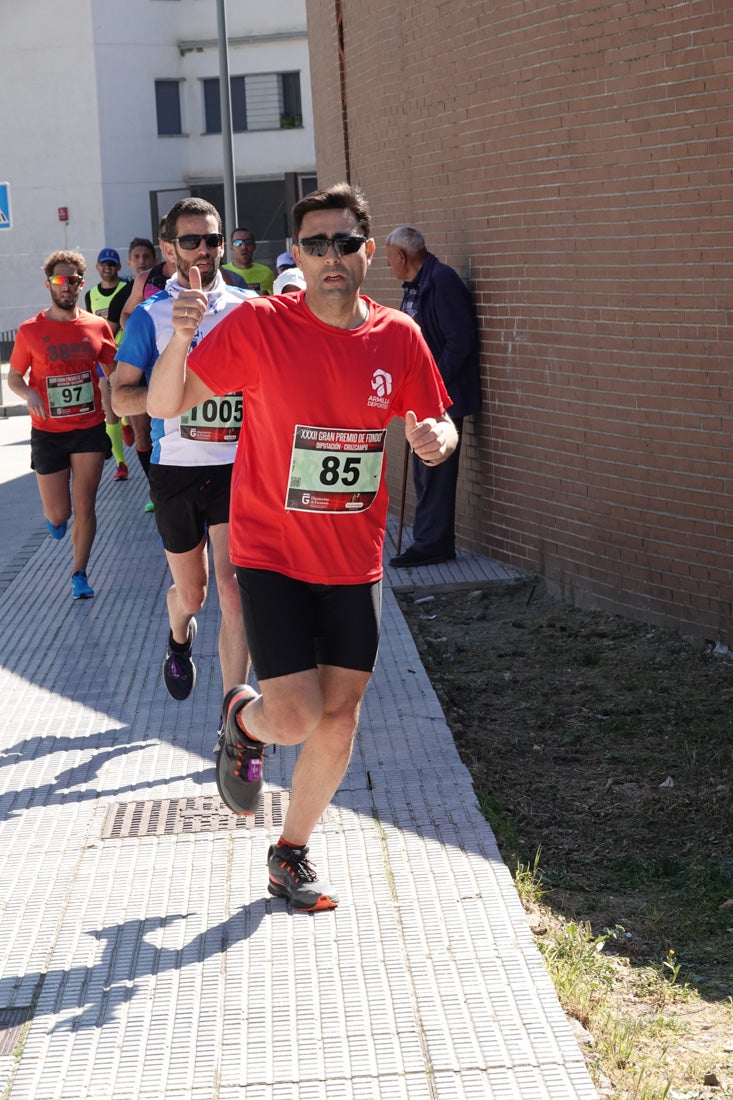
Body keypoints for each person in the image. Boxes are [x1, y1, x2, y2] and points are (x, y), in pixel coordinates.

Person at [147, 182, 458, 912]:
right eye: (315, 244)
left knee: (340, 715)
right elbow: (164, 404)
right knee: (293, 716)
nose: (330, 257)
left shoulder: (397, 338)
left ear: (368, 253)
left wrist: (436, 439)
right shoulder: (260, 325)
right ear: (296, 254)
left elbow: (438, 423)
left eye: (345, 243)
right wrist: (184, 334)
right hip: (271, 552)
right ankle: (242, 722)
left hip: (354, 558)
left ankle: (290, 851)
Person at [112, 197, 254, 728]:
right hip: (176, 472)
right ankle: (178, 637)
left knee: (234, 591)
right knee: (192, 595)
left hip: (238, 466)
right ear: (168, 247)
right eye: (190, 241)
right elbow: (120, 398)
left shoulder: (248, 307)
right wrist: (172, 395)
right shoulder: (152, 315)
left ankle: (234, 720)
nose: (204, 250)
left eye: (212, 240)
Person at [7, 250, 117, 600]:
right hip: (48, 433)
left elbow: (114, 372)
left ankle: (79, 573)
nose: (66, 286)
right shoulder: (30, 331)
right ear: (49, 284)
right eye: (60, 280)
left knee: (85, 504)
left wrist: (119, 408)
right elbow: (13, 377)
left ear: (81, 284)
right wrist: (29, 394)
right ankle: (56, 520)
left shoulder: (96, 327)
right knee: (60, 513)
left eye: (73, 280)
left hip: (88, 429)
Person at [385, 225, 481, 567]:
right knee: (424, 471)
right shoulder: (416, 284)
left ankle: (433, 544)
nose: (389, 265)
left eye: (389, 258)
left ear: (401, 255)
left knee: (435, 468)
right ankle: (427, 540)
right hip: (420, 397)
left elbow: (461, 339)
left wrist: (432, 382)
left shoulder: (441, 280)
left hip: (443, 397)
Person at [84, 247, 130, 481]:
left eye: (112, 264)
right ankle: (121, 462)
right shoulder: (91, 294)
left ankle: (126, 420)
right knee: (108, 403)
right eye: (104, 264)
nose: (108, 267)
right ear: (97, 267)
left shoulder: (127, 288)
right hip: (103, 356)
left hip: (127, 352)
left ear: (119, 267)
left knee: (126, 400)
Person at [223, 228, 274, 294]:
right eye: (238, 243)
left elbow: (273, 299)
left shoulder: (266, 273)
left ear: (254, 246)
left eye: (248, 242)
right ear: (231, 247)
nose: (243, 247)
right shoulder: (223, 272)